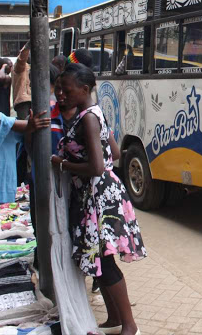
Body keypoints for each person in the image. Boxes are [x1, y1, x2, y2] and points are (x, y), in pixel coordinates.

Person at [51, 63, 144, 335]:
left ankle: (129, 325)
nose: (61, 95)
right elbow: (114, 152)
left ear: (83, 89)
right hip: (99, 195)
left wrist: (62, 163)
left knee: (104, 262)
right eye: (59, 89)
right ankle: (115, 319)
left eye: (66, 90)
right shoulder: (93, 113)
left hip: (97, 199)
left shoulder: (88, 118)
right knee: (100, 260)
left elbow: (97, 167)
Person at [13, 42, 31, 120]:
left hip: (31, 100)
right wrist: (27, 46)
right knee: (25, 126)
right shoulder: (19, 66)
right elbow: (21, 59)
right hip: (24, 102)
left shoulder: (32, 65)